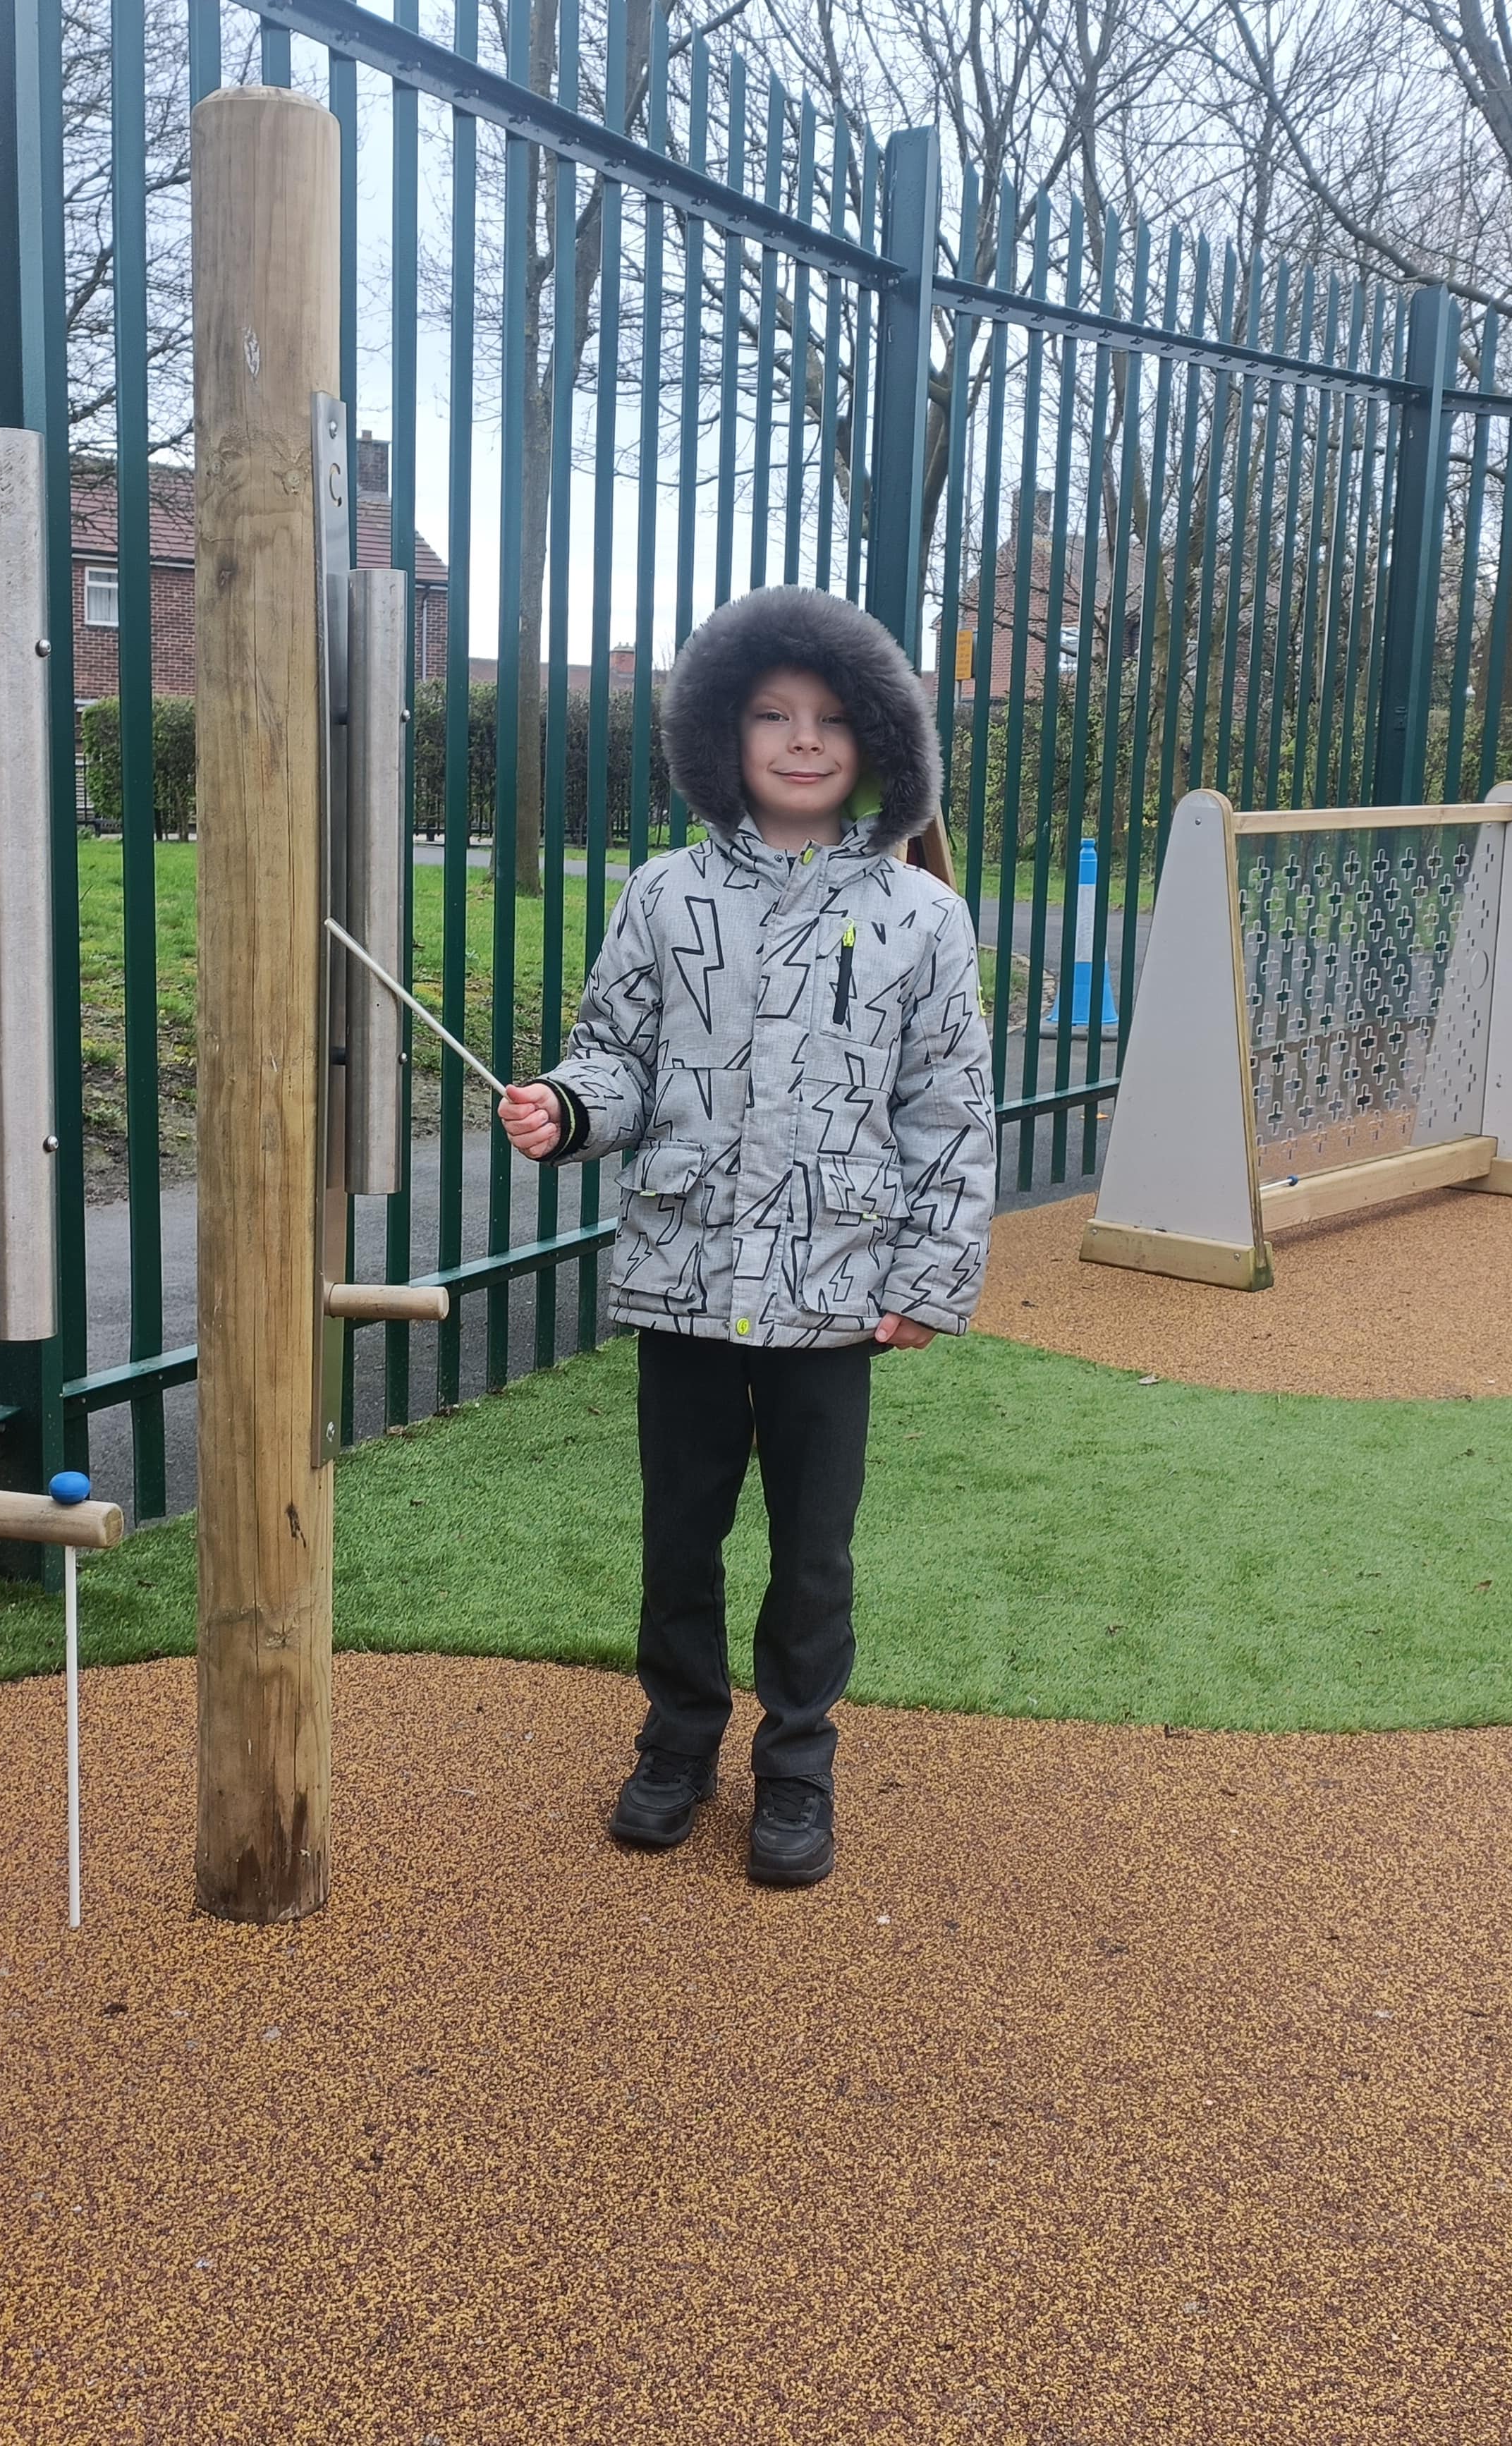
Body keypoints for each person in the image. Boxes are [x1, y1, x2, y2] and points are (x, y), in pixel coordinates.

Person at [496, 587, 994, 1889]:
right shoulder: (661, 893)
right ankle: (674, 1742)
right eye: (772, 714)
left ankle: (796, 1763)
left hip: (835, 1292)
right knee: (679, 1529)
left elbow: (946, 1103)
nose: (801, 739)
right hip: (684, 1280)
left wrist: (929, 1276)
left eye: (830, 718)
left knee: (811, 1547)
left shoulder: (921, 917)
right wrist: (566, 1107)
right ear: (723, 732)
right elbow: (616, 1052)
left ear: (876, 739)